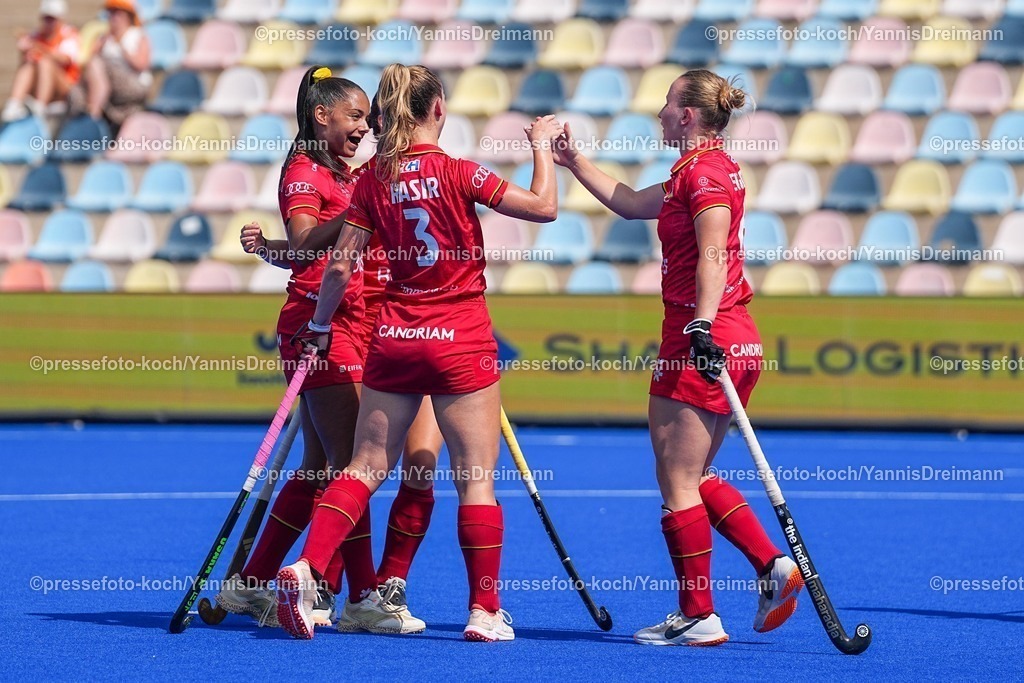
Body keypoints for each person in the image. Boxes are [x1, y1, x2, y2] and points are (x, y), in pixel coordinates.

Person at [274, 63, 563, 641]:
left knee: (363, 466)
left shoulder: (374, 181)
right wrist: (542, 149)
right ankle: (484, 612)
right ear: (439, 110)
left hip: (396, 335)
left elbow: (338, 263)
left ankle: (307, 569)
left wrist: (321, 324)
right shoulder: (460, 172)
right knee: (475, 477)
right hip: (460, 335)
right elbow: (543, 207)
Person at [550, 69, 803, 646]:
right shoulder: (690, 171)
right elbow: (630, 203)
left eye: (667, 104)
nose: (660, 113)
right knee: (693, 474)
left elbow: (713, 251)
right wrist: (574, 162)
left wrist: (701, 324)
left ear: (687, 115)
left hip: (703, 336)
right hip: (720, 334)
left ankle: (699, 614)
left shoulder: (706, 173)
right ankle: (770, 566)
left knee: (677, 481)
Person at [215, 65, 420, 635]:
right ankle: (360, 596)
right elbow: (312, 242)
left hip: (352, 316)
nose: (364, 126)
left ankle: (252, 581)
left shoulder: (344, 171)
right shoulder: (305, 170)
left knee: (318, 465)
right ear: (320, 116)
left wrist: (270, 250)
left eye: (367, 117)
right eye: (355, 116)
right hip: (321, 325)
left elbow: (303, 250)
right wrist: (348, 216)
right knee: (350, 463)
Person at [77, 0, 151, 129]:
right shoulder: (105, 37)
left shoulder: (138, 35)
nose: (112, 17)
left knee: (98, 65)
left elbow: (142, 64)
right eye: (110, 13)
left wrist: (123, 48)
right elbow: (89, 60)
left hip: (132, 81)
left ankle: (93, 113)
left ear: (127, 15)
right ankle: (90, 116)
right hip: (108, 82)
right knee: (81, 83)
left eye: (116, 13)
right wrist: (101, 42)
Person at [2, 0, 80, 122]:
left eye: (52, 19)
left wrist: (39, 47)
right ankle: (14, 104)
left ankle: (39, 107)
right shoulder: (36, 35)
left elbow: (65, 59)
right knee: (29, 64)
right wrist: (24, 52)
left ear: (61, 19)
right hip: (40, 83)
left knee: (45, 62)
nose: (49, 23)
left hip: (65, 88)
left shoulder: (69, 34)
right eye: (46, 18)